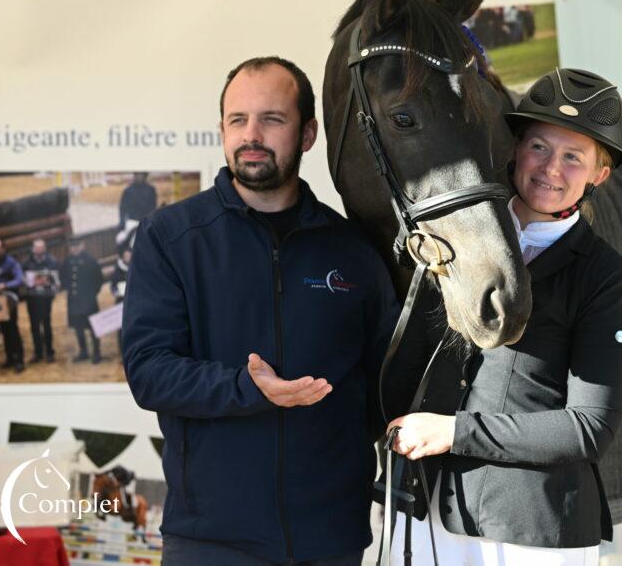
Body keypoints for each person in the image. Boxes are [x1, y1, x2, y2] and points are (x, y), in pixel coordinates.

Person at [123, 56, 398, 566]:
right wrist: (250, 389)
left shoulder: (354, 249)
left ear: (308, 133)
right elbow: (149, 373)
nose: (251, 135)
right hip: (211, 540)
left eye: (272, 119)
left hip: (331, 537)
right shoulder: (172, 237)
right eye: (237, 120)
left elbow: (388, 380)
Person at [382, 68, 622, 565]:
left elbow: (588, 428)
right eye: (540, 147)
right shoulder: (449, 245)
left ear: (598, 175)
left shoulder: (607, 280)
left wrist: (454, 431)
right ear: (515, 149)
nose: (551, 169)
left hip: (532, 530)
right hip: (431, 510)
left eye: (574, 157)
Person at [0, 238, 26, 373]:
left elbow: (19, 279)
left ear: (4, 249)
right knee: (3, 329)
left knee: (13, 329)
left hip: (10, 300)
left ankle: (19, 360)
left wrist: (6, 285)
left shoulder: (11, 262)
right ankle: (9, 358)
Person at [63, 237, 104, 364]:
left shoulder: (90, 261)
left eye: (77, 246)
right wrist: (68, 288)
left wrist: (92, 294)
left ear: (82, 246)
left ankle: (96, 353)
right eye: (72, 246)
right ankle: (83, 352)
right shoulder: (67, 261)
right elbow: (62, 276)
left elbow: (99, 279)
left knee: (94, 327)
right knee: (78, 327)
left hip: (89, 301)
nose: (74, 249)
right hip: (74, 301)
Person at [22, 238, 60, 363]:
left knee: (46, 325)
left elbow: (56, 281)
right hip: (32, 299)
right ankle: (38, 352)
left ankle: (49, 352)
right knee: (34, 327)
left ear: (45, 248)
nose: (39, 250)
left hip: (45, 299)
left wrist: (51, 285)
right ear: (33, 249)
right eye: (37, 247)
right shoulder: (26, 263)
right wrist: (26, 282)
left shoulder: (51, 261)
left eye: (41, 247)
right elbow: (22, 279)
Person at [109, 247, 130, 361]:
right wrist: (117, 292)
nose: (128, 257)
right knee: (121, 330)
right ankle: (123, 354)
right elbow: (112, 287)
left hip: (134, 303)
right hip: (120, 304)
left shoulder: (136, 267)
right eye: (126, 256)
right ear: (123, 257)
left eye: (130, 255)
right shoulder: (117, 270)